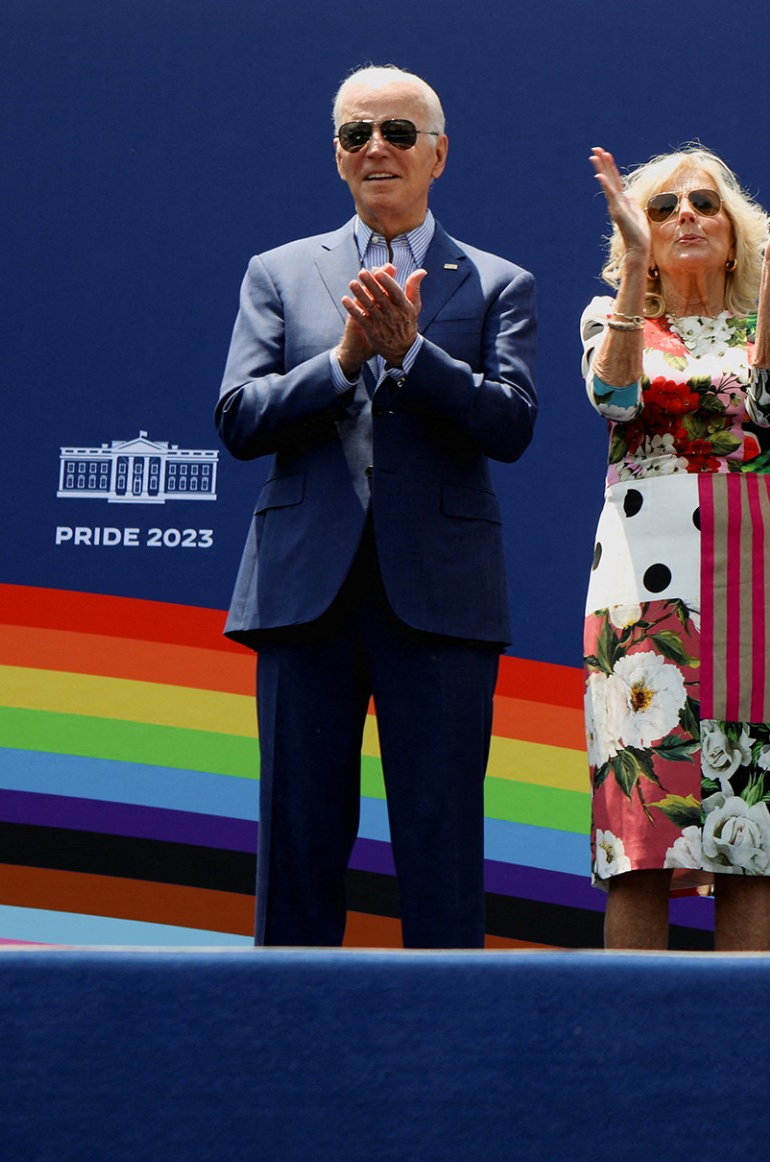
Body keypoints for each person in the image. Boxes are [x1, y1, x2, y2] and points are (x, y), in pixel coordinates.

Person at [216, 65, 539, 948]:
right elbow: (240, 419)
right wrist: (346, 361)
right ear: (336, 156)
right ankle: (286, 1044)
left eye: (398, 133)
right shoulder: (279, 273)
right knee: (298, 838)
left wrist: (414, 357)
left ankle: (443, 1055)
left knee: (440, 842)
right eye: (357, 134)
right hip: (303, 591)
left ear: (439, 154)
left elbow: (510, 425)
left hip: (438, 596)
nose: (377, 150)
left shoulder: (496, 282)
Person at [580, 145, 770, 950]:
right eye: (661, 209)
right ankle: (628, 1049)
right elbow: (613, 398)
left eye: (703, 203)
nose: (683, 216)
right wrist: (628, 274)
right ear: (639, 236)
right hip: (639, 591)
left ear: (737, 233)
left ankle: (748, 1052)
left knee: (748, 834)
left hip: (757, 581)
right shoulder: (610, 319)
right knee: (639, 839)